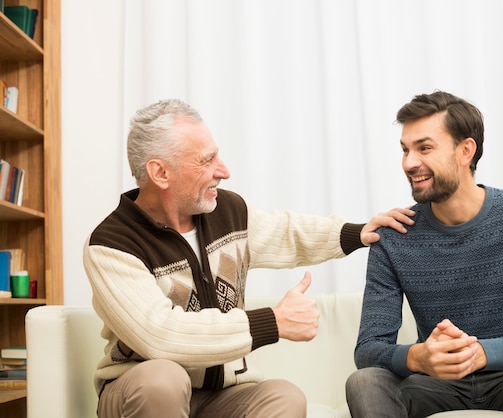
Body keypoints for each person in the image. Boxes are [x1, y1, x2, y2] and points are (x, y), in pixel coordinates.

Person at [82, 98, 414, 418]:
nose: (223, 170)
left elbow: (285, 232)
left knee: (284, 398)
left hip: (220, 394)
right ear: (160, 173)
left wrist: (357, 232)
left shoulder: (226, 211)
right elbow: (161, 334)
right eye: (206, 160)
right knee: (163, 382)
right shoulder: (112, 244)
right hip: (139, 393)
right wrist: (273, 321)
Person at [345, 91, 503, 418]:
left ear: (466, 150)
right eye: (405, 150)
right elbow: (368, 351)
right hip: (433, 385)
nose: (409, 162)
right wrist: (418, 358)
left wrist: (482, 352)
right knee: (364, 382)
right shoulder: (394, 236)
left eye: (424, 148)